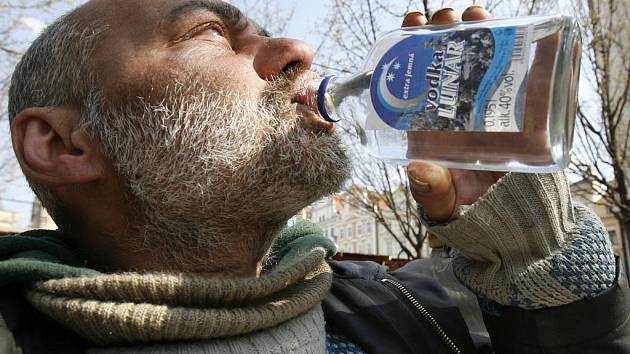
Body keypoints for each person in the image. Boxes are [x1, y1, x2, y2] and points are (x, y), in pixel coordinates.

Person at [0, 1, 628, 353]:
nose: (298, 50)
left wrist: (528, 248)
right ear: (60, 143)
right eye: (209, 33)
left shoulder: (426, 310)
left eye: (267, 31)